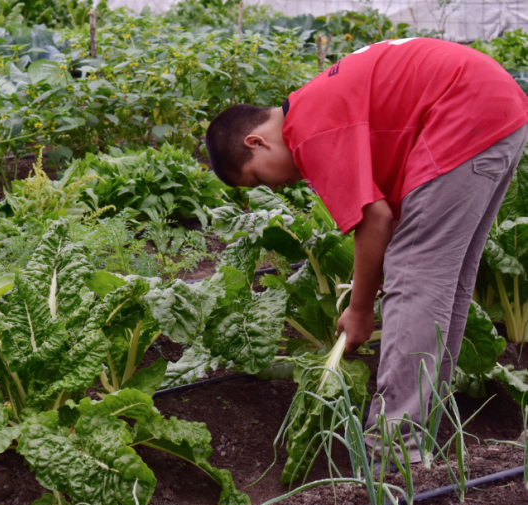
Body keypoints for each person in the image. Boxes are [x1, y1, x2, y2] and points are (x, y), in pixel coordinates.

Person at [204, 37, 528, 468]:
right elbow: (387, 217)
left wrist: (359, 310)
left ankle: (394, 456)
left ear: (256, 142)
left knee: (417, 275)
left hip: (465, 111)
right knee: (444, 278)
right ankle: (421, 435)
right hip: (498, 111)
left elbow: (373, 221)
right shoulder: (318, 105)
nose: (275, 187)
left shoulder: (309, 129)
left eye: (258, 180)